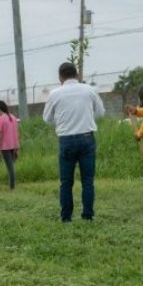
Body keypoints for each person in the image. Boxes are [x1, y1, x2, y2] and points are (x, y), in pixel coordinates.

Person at [43, 62, 105, 221]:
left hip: (66, 140)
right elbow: (100, 112)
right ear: (77, 75)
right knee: (88, 181)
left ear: (60, 78)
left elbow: (47, 118)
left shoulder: (55, 94)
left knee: (65, 182)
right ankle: (88, 215)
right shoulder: (89, 90)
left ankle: (66, 217)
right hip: (86, 138)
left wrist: (61, 121)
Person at [0, 100, 20, 190]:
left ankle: (12, 187)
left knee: (10, 167)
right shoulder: (13, 117)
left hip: (5, 147)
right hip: (14, 145)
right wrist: (17, 146)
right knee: (11, 165)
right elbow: (16, 133)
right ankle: (12, 185)